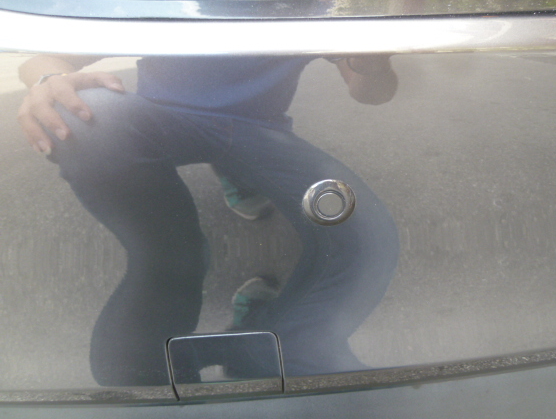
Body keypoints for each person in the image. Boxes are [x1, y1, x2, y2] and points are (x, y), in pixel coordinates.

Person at [18, 53, 399, 386]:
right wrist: (49, 80)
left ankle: (269, 349)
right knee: (86, 112)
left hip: (259, 132)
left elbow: (372, 93)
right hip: (158, 121)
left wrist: (371, 59)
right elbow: (41, 58)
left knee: (366, 239)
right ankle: (168, 244)